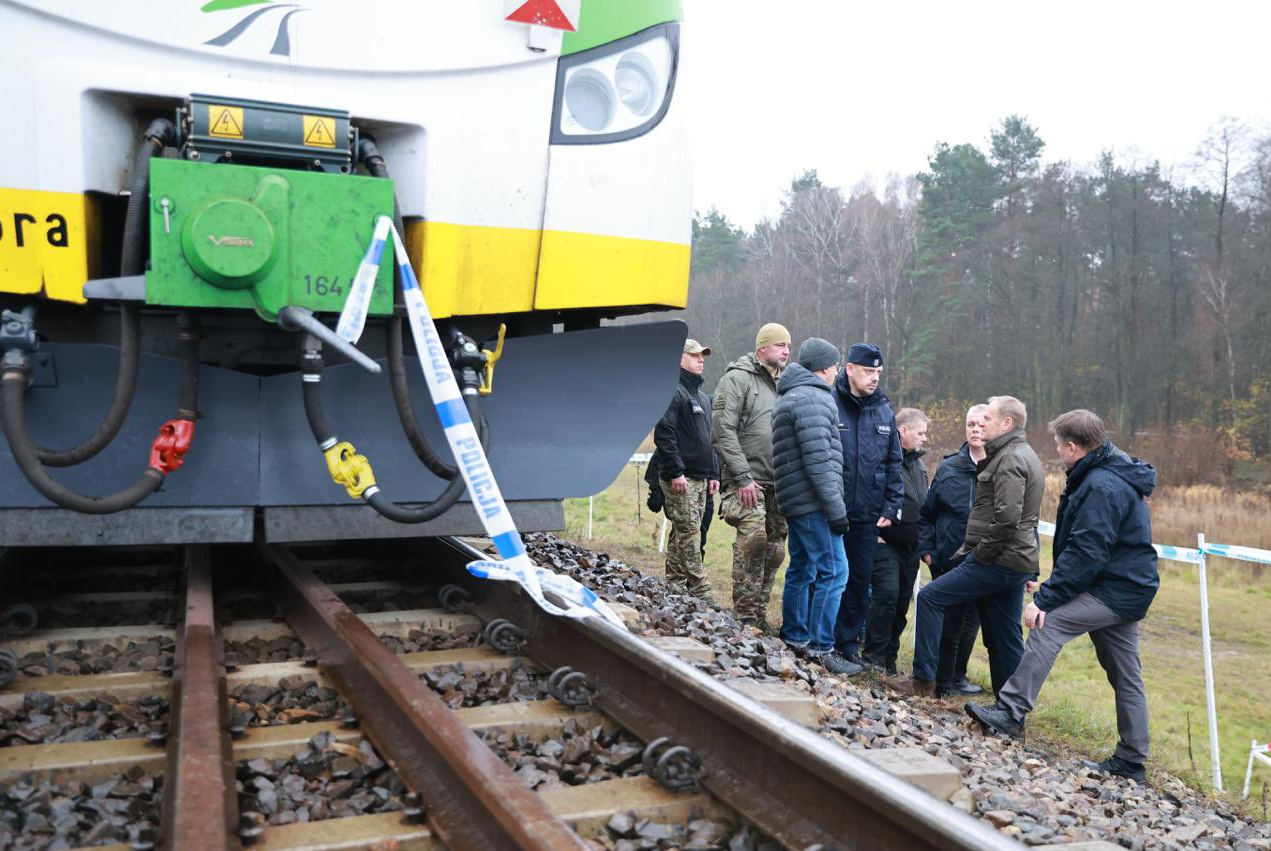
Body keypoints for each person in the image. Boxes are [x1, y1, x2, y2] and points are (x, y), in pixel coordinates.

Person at [966, 410, 1158, 783]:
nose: (1055, 451)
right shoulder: (1105, 472)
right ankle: (1132, 761)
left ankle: (1010, 711)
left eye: (1057, 445)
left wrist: (1047, 598)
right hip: (1127, 586)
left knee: (1046, 624)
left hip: (1116, 589)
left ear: (1073, 447)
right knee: (1126, 675)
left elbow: (1088, 551)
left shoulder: (1102, 485)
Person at [894, 395, 1044, 698]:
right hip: (1012, 560)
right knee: (1004, 636)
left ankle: (924, 681)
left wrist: (979, 556)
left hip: (998, 560)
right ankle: (1010, 710)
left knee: (931, 598)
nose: (980, 425)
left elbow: (1008, 520)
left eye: (987, 418)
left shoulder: (1011, 459)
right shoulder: (1017, 453)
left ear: (1007, 423)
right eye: (975, 420)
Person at [772, 338, 860, 675]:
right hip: (814, 503)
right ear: (823, 367)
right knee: (835, 572)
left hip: (796, 501)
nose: (838, 371)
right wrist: (835, 510)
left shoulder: (791, 395)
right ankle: (822, 648)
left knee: (802, 568)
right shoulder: (814, 399)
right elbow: (819, 461)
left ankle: (796, 637)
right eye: (835, 365)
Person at [711, 323, 791, 629]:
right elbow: (722, 430)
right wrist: (742, 477)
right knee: (754, 540)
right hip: (745, 480)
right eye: (780, 344)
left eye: (789, 345)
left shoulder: (787, 384)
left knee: (774, 550)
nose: (786, 350)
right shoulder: (736, 379)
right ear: (763, 348)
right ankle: (744, 616)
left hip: (778, 483)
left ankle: (759, 615)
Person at [831, 343, 903, 664]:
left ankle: (847, 643)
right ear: (850, 369)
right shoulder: (831, 403)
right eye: (868, 371)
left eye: (878, 373)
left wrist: (891, 506)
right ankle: (819, 637)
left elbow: (893, 463)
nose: (874, 378)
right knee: (829, 576)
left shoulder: (884, 410)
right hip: (834, 509)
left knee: (859, 581)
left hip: (867, 514)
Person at [917, 404, 989, 697]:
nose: (975, 430)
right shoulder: (949, 467)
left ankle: (958, 676)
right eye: (971, 424)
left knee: (972, 623)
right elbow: (927, 514)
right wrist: (927, 549)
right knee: (948, 623)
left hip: (984, 562)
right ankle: (938, 680)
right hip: (948, 559)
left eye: (982, 425)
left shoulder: (1001, 468)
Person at [861, 407, 929, 676]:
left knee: (902, 603)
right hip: (885, 543)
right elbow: (867, 494)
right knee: (886, 596)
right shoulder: (882, 460)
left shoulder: (919, 466)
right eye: (920, 433)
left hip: (911, 548)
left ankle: (890, 656)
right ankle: (874, 655)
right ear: (903, 431)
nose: (924, 438)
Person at [652, 339, 721, 600]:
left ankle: (673, 585)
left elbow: (709, 439)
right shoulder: (673, 392)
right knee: (691, 534)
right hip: (681, 478)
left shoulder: (702, 397)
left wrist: (714, 473)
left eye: (703, 355)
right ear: (679, 360)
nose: (701, 359)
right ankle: (703, 592)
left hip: (702, 478)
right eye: (694, 355)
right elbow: (665, 435)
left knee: (683, 532)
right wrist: (676, 472)